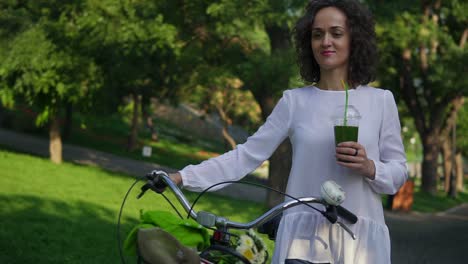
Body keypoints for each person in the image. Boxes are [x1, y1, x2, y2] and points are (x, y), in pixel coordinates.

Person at [168, 0, 407, 263]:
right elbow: (246, 156)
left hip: (359, 243)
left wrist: (370, 167)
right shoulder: (295, 102)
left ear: (355, 39)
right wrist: (181, 177)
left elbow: (398, 172)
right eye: (317, 34)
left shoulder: (381, 101)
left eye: (336, 33)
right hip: (303, 241)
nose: (325, 41)